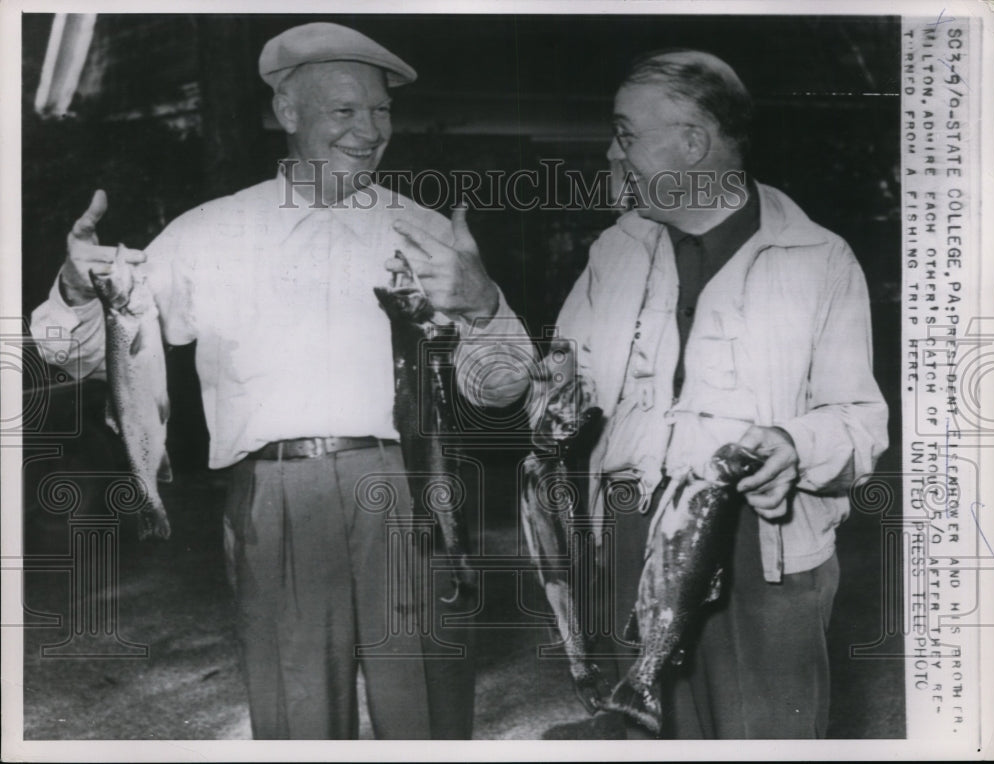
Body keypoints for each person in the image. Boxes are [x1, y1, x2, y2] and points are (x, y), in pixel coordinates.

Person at [29, 22, 502, 740]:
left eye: (381, 111)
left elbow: (504, 386)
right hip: (275, 494)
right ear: (287, 113)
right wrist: (72, 286)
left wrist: (486, 302)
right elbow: (90, 357)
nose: (369, 131)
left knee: (428, 709)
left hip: (411, 489)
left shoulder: (429, 231)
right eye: (344, 112)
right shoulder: (208, 233)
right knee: (296, 712)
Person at [410, 49, 890, 738]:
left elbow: (860, 423)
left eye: (627, 134)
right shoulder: (616, 250)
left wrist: (795, 444)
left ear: (693, 142)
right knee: (647, 738)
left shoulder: (819, 258)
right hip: (632, 537)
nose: (613, 151)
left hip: (769, 551)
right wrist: (485, 312)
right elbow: (539, 394)